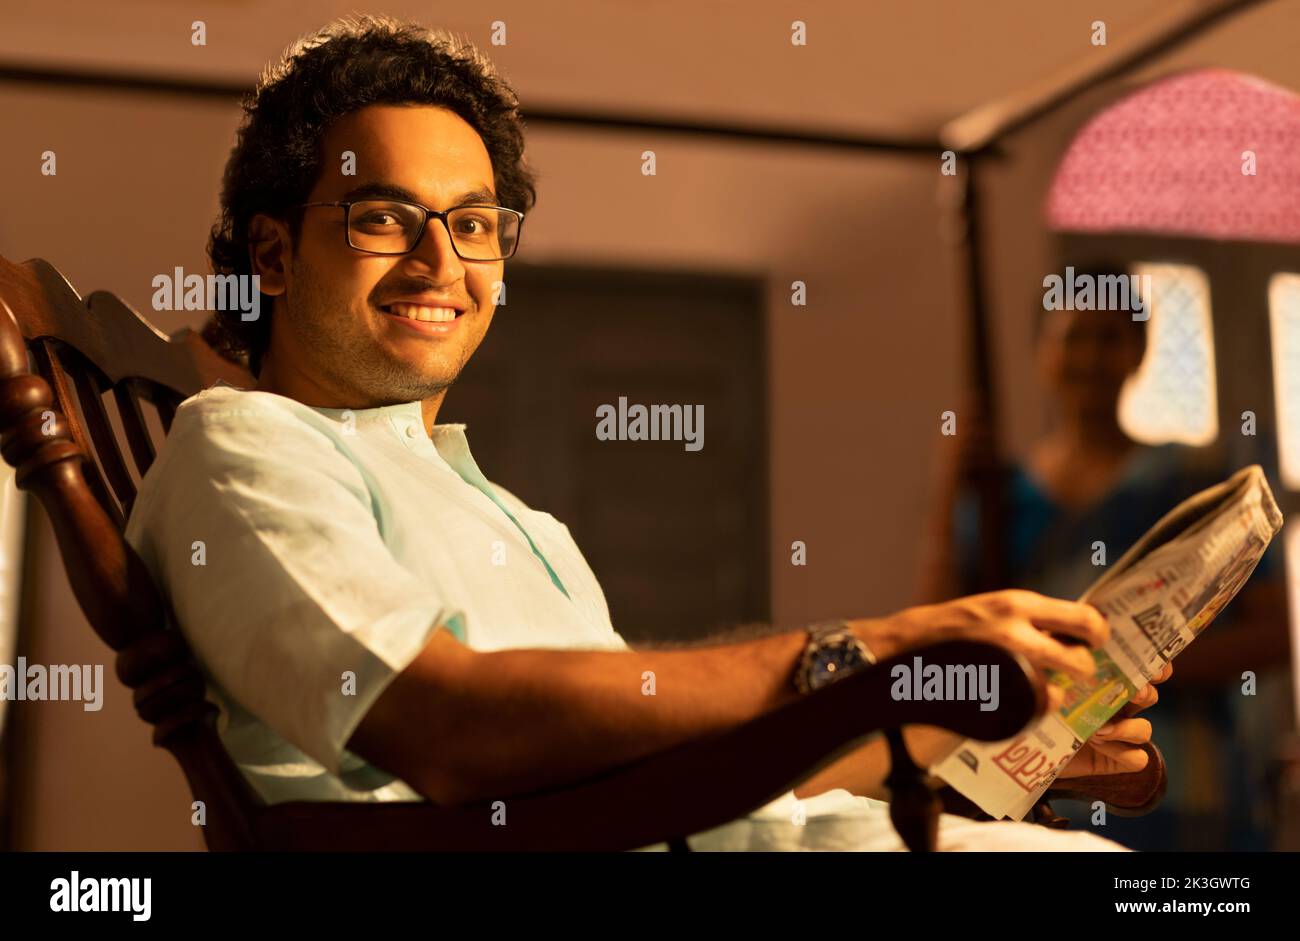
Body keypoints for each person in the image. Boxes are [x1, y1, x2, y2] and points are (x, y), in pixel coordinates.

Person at [124, 15, 1163, 851]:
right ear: (271, 252)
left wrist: (956, 734)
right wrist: (880, 651)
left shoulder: (510, 515)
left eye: (474, 222)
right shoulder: (244, 444)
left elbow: (681, 771)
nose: (442, 262)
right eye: (384, 217)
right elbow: (446, 726)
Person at [921, 267, 1290, 849]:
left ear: (1138, 352)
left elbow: (1274, 634)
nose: (1090, 357)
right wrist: (948, 497)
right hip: (1045, 803)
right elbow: (939, 639)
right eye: (1074, 337)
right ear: (1043, 353)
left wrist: (1118, 671)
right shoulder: (997, 496)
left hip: (1197, 793)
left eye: (1109, 337)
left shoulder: (1194, 476)